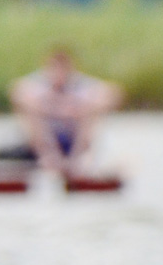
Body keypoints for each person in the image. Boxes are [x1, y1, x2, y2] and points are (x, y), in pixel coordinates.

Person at [7, 48, 123, 177]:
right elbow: (16, 91)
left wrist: (78, 107)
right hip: (46, 140)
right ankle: (48, 156)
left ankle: (79, 160)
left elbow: (113, 93)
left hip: (74, 140)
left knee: (91, 111)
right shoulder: (39, 83)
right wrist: (54, 108)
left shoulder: (79, 84)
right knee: (30, 111)